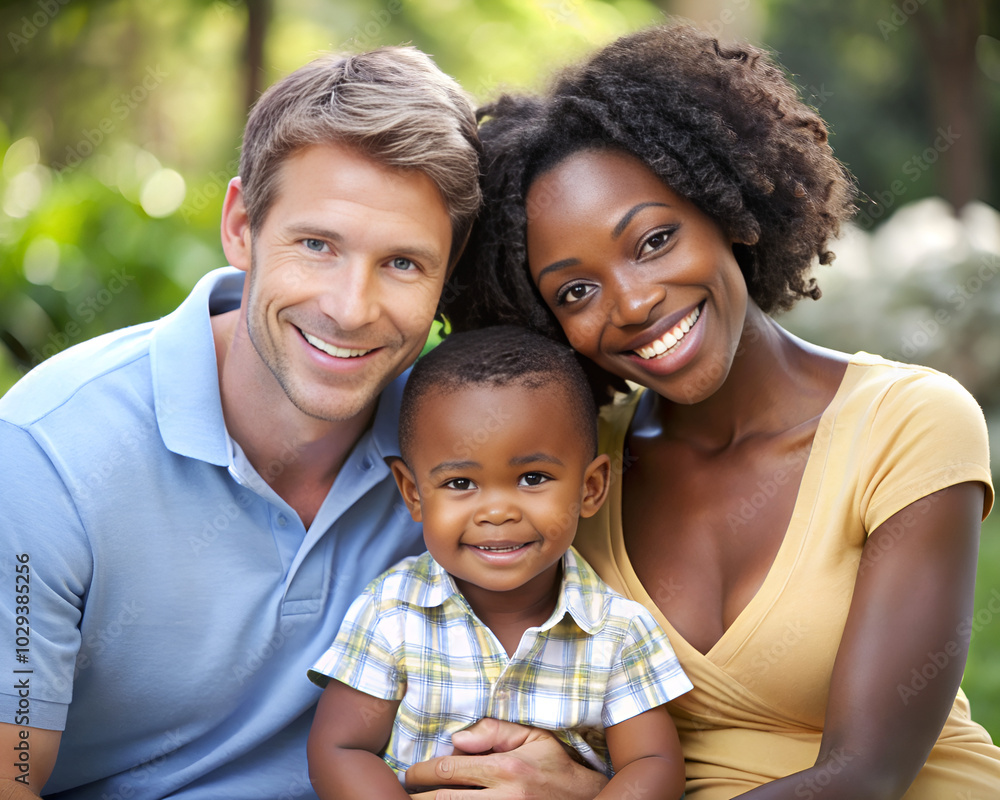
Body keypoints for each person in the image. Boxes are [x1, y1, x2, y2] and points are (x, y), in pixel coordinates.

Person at [444, 23, 1000, 800]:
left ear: (729, 205)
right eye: (576, 290)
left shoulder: (908, 422)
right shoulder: (574, 470)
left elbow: (865, 776)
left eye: (654, 240)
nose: (632, 303)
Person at [0, 46, 538, 800]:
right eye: (317, 245)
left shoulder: (464, 450)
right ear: (242, 226)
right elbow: (12, 772)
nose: (351, 309)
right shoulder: (46, 452)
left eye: (404, 264)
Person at [305, 325, 691, 800]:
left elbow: (655, 764)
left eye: (532, 477)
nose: (497, 512)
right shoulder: (390, 612)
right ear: (413, 494)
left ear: (590, 488)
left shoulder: (619, 631)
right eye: (461, 484)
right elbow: (341, 749)